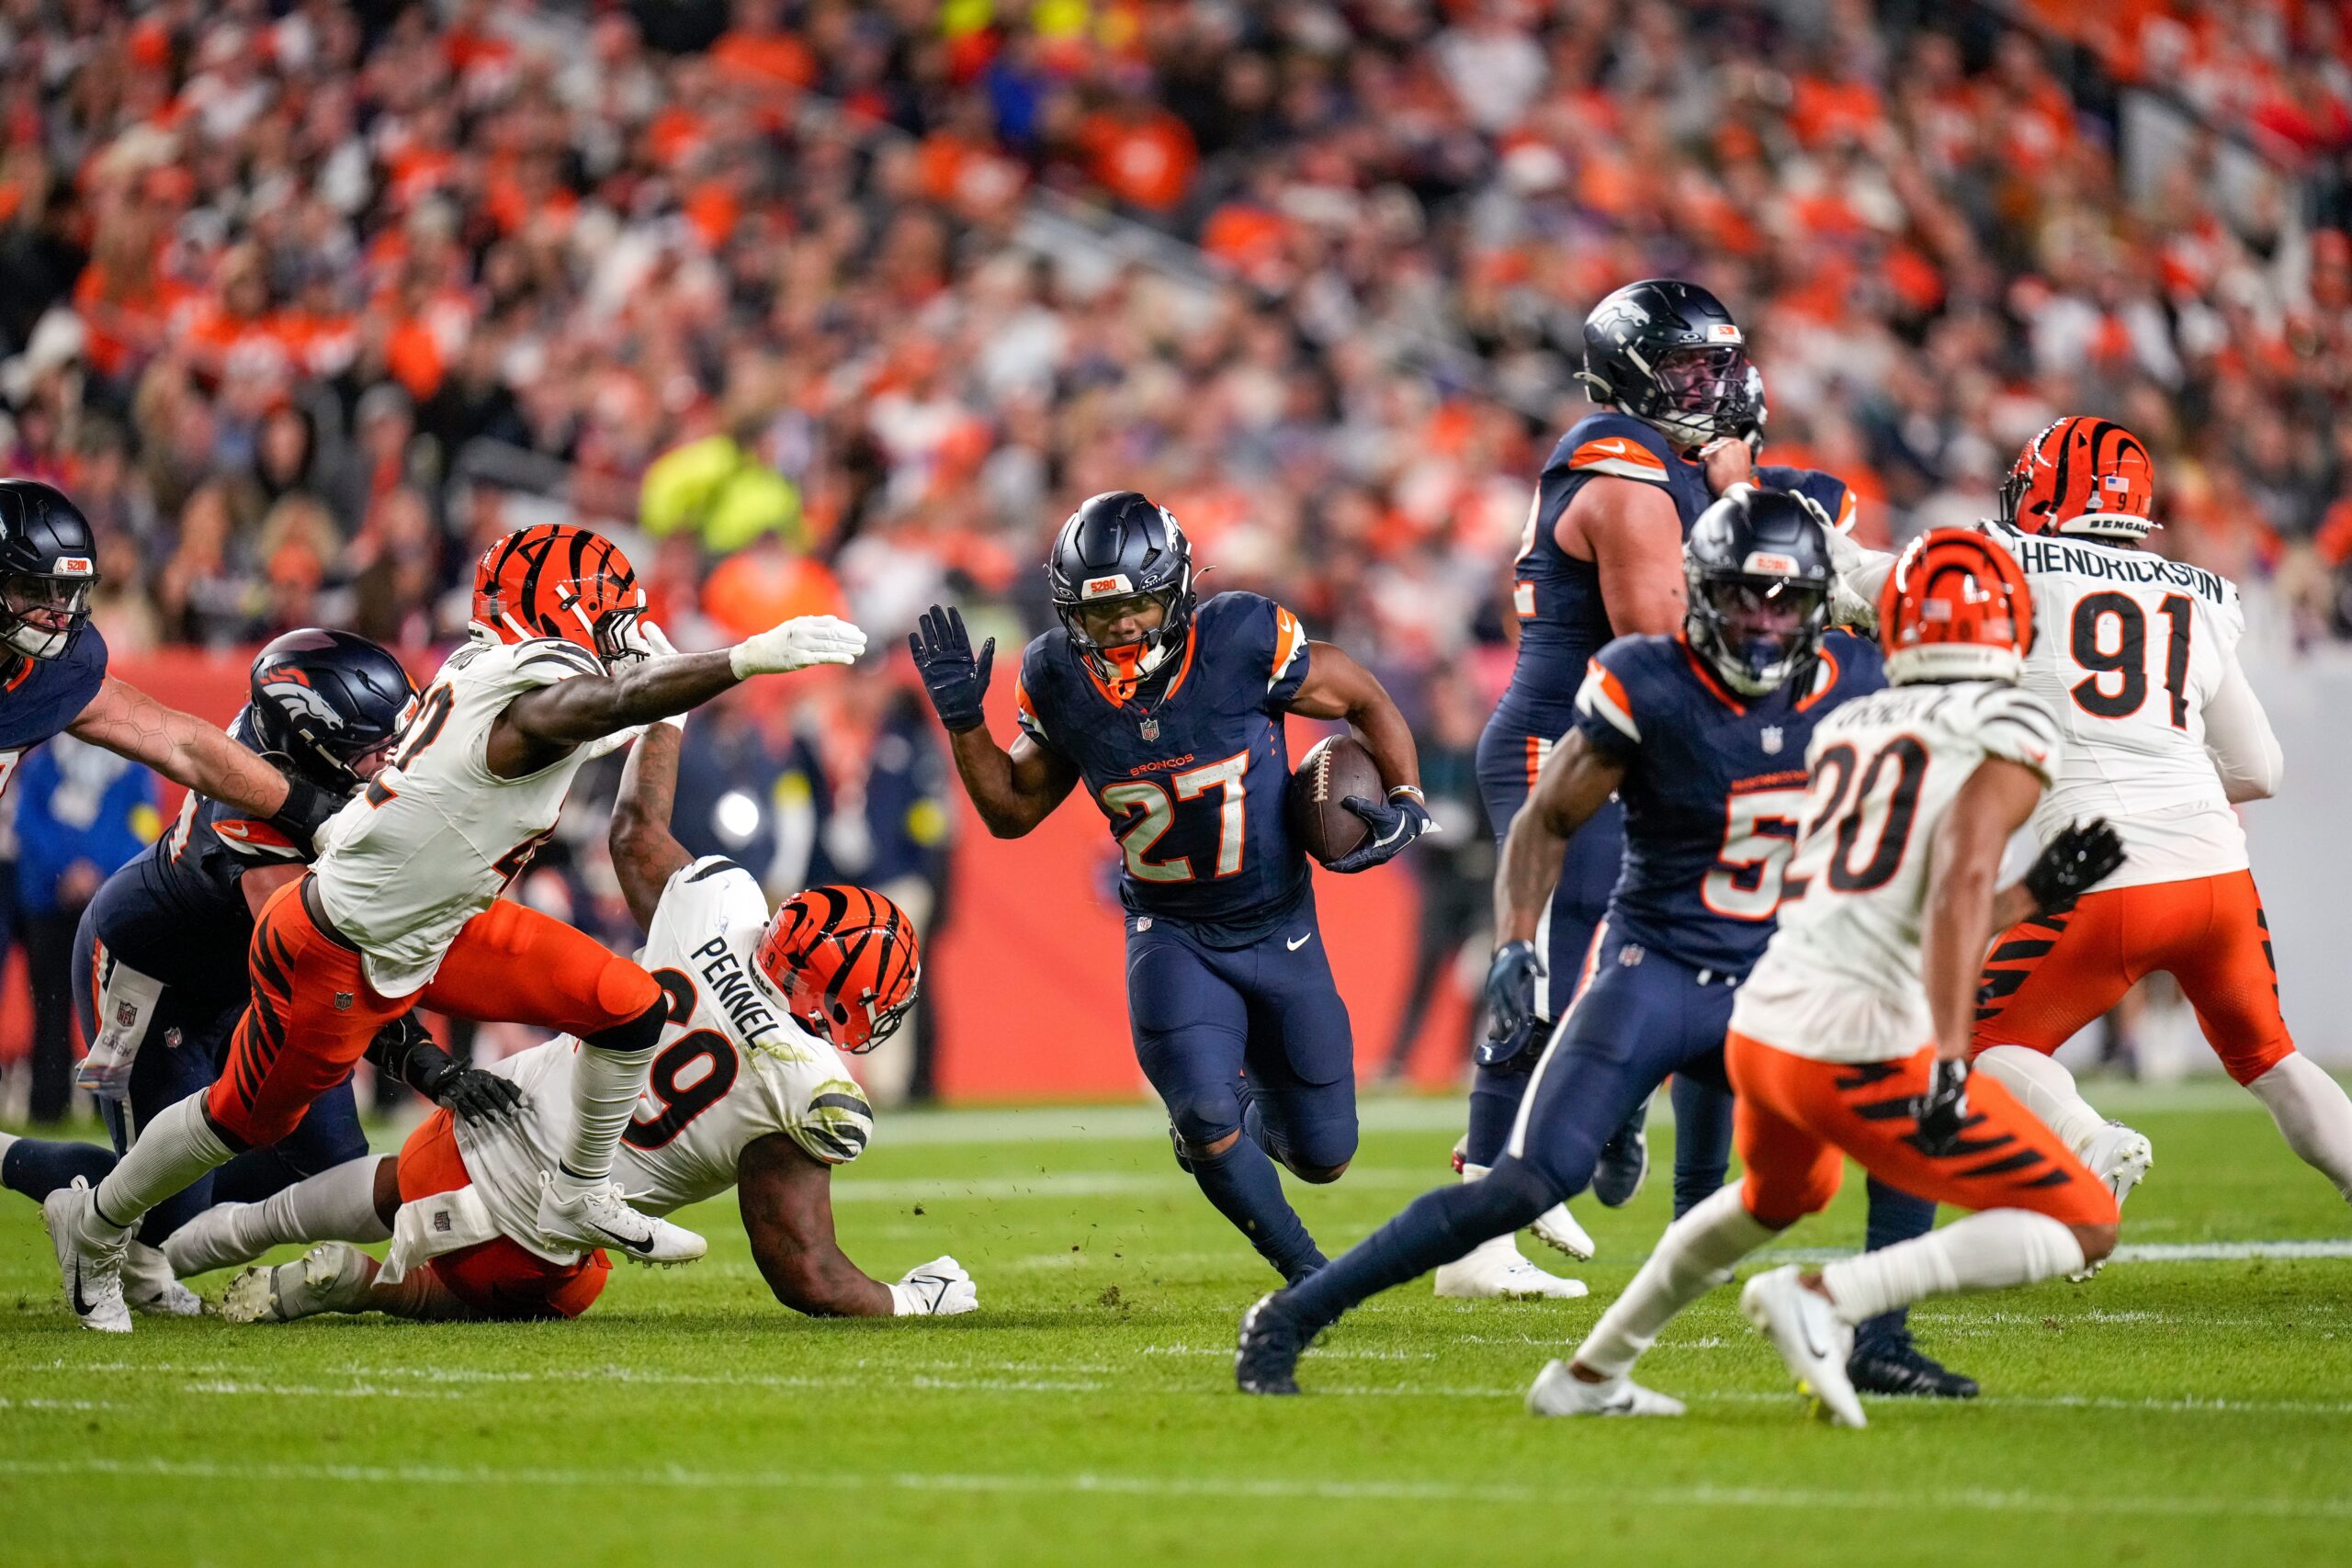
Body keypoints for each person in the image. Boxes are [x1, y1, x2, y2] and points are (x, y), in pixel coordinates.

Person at [1236, 490, 2027, 1391]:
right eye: (1742, 599)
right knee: (1526, 1183)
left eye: (1785, 603)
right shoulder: (1648, 678)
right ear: (1700, 594)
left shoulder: (1860, 680)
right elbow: (1546, 818)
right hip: (1657, 973)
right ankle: (1293, 1314)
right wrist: (1517, 943)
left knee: (1909, 1099)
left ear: (1822, 607)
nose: (1763, 624)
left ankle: (1880, 1339)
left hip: (1783, 980)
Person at [41, 522, 867, 1332]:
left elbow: (610, 718)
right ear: (564, 612)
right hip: (343, 946)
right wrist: (736, 660)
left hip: (439, 923)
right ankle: (97, 1221)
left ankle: (580, 1187)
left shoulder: (488, 670)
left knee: (629, 1002)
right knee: (245, 1119)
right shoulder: (529, 697)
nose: (623, 626)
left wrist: (671, 704)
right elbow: (603, 702)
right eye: (611, 608)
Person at [1523, 529, 2127, 1427]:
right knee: (2086, 1221)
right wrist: (1950, 1055)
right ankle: (1828, 1298)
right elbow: (1958, 884)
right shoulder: (2010, 723)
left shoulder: (1851, 721)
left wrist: (2030, 896)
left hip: (1765, 1027)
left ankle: (1588, 1372)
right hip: (1859, 1040)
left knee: (1775, 1197)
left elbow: (1894, 899)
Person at [175, 717, 973, 1325]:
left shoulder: (720, 907)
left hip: (472, 1124)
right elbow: (804, 1269)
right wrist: (911, 1298)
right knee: (575, 1280)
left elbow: (634, 830)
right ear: (844, 1002)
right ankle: (367, 1282)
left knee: (345, 1193)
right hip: (528, 1244)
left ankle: (168, 1255)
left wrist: (667, 712)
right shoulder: (806, 1084)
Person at [1457, 279, 1868, 1299]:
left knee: (1674, 953)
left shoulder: (1671, 464)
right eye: (1688, 366)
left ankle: (1615, 1129)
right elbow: (1664, 634)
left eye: (1720, 364)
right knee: (1540, 970)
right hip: (1564, 742)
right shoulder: (1624, 468)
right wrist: (1741, 502)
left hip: (1633, 749)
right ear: (1631, 373)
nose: (1710, 386)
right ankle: (1478, 1227)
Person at [908, 491, 1433, 1282]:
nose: (1123, 626)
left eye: (1140, 605)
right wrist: (964, 723)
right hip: (1173, 933)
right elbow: (1011, 810)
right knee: (1206, 1115)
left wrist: (1409, 798)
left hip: (1280, 924)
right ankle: (1311, 1275)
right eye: (1101, 612)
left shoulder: (1242, 638)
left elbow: (1361, 695)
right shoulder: (1057, 675)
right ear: (1070, 614)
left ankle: (1230, 1122)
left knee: (1325, 1154)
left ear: (1179, 591)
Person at [1836, 417, 2352, 1209]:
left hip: (2104, 874)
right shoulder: (2196, 591)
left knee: (1969, 1041)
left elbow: (1878, 577)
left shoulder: (2011, 559)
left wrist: (1805, 535)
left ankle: (2090, 1143)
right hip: (2219, 878)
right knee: (2270, 1057)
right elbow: (2261, 769)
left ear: (2049, 491)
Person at [0, 629, 512, 1314]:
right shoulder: (249, 817)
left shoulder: (296, 754)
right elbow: (322, 964)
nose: (391, 759)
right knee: (163, 1205)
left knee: (331, 1161)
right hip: (152, 980)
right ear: (313, 743)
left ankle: (175, 1216)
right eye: (372, 746)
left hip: (246, 980)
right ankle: (35, 1172)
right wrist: (423, 1060)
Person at [0, 479, 348, 898]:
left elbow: (184, 747)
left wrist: (312, 809)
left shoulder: (48, 669)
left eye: (65, 592)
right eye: (35, 590)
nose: (58, 615)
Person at [11, 735, 155, 1123]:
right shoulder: (43, 766)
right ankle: (47, 1106)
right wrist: (66, 872)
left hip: (108, 903)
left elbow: (144, 827)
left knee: (112, 1013)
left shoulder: (131, 769)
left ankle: (105, 1107)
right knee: (50, 1006)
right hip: (49, 903)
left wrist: (100, 873)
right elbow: (27, 823)